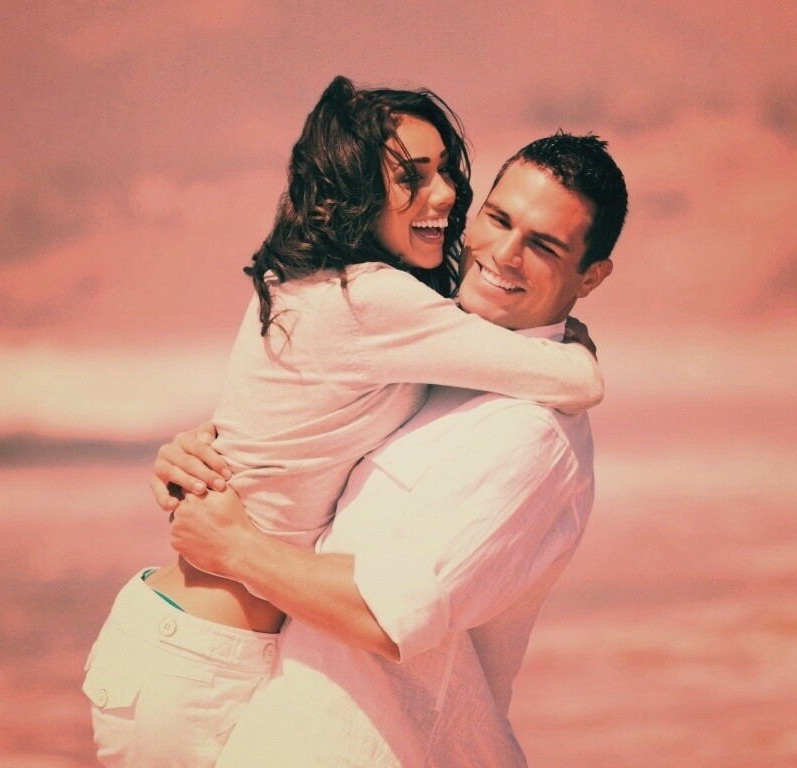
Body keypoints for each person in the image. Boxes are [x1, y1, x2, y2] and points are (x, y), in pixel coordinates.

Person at [83, 76, 604, 767]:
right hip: (203, 659)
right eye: (411, 178)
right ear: (356, 190)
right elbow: (575, 381)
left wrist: (194, 462)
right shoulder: (370, 301)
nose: (445, 194)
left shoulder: (347, 293)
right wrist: (577, 343)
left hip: (197, 640)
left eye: (446, 170)